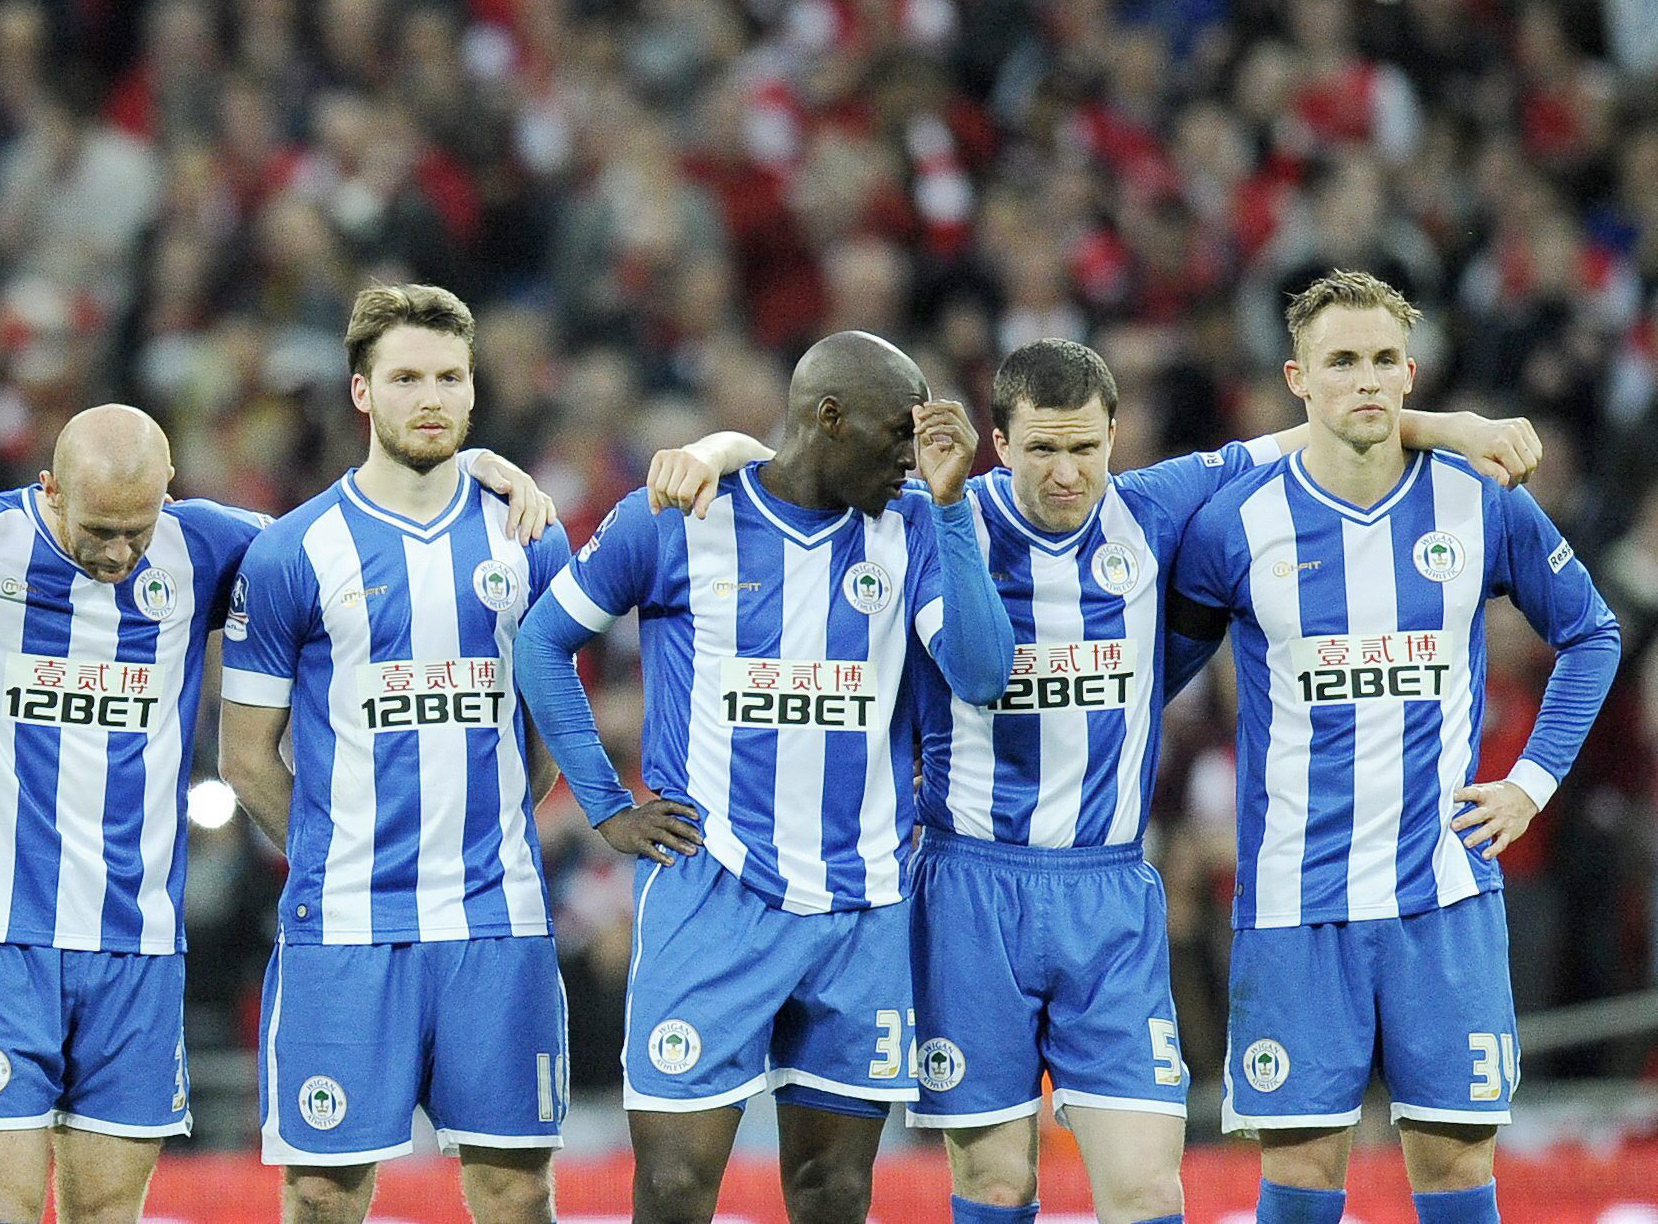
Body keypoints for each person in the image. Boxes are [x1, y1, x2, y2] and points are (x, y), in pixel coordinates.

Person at [643, 339, 1541, 1224]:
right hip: (967, 888)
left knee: (1148, 1189)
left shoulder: (1151, 509)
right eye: (1040, 448)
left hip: (1107, 889)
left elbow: (1318, 432)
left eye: (1083, 447)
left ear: (1115, 437)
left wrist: (1446, 424)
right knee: (995, 1185)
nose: (1065, 471)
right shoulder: (932, 514)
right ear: (1000, 443)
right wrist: (715, 450)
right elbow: (805, 467)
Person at [0, 407, 555, 1224]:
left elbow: (358, 530)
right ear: (46, 489)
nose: (118, 555)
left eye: (136, 530)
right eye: (97, 531)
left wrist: (470, 472)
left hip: (137, 947)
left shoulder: (211, 545)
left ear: (171, 494)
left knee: (105, 1214)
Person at [513, 330, 1016, 1224]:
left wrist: (947, 510)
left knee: (832, 1193)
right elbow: (542, 644)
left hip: (859, 906)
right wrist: (603, 806)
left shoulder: (910, 526)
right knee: (672, 1189)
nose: (910, 458)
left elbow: (980, 673)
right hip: (712, 896)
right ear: (828, 417)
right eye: (896, 435)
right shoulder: (680, 518)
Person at [1169, 271, 1620, 1224]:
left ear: (1411, 373)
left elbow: (1591, 634)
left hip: (1442, 901)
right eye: (1341, 361)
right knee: (1300, 1183)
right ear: (1299, 378)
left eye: (1381, 360)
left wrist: (1529, 783)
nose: (1364, 380)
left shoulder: (1478, 503)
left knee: (1455, 1174)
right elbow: (1151, 683)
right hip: (1295, 906)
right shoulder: (1233, 525)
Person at [218, 283, 575, 1224]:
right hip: (343, 923)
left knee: (512, 1187)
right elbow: (247, 757)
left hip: (496, 917)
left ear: (472, 391)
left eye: (450, 377)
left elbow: (545, 740)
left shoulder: (528, 536)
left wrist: (487, 822)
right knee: (324, 1192)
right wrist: (334, 855)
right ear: (361, 394)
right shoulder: (293, 551)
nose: (431, 396)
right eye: (407, 376)